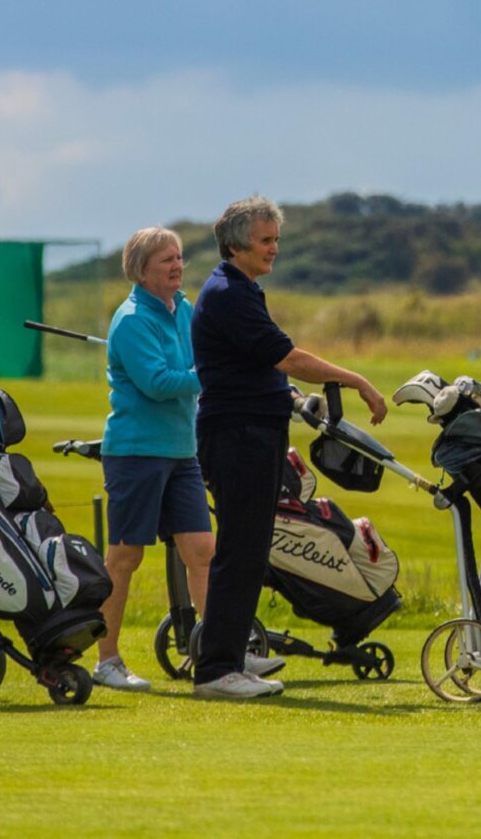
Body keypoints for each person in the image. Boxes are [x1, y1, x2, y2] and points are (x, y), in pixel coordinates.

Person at [189, 196, 387, 701]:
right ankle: (216, 670)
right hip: (237, 438)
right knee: (241, 551)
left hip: (253, 434)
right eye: (266, 240)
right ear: (237, 244)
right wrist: (355, 378)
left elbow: (262, 366)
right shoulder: (229, 292)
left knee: (251, 552)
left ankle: (229, 658)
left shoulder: (242, 289)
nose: (274, 249)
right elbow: (288, 357)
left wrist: (293, 396)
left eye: (276, 239)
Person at [89, 228, 215, 693]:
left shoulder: (182, 309)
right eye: (167, 260)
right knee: (125, 556)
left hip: (182, 452)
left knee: (202, 551)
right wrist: (212, 375)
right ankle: (107, 661)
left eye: (179, 258)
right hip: (136, 453)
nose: (177, 266)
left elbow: (201, 360)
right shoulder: (132, 320)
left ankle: (219, 656)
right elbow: (159, 382)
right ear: (142, 269)